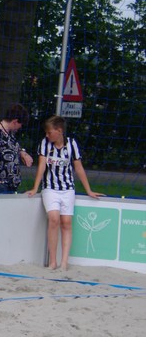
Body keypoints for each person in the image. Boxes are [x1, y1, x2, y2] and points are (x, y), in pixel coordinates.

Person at [27, 115, 103, 271]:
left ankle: (64, 262)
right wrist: (35, 188)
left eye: (50, 132)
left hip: (67, 188)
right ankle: (52, 262)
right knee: (54, 219)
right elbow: (41, 166)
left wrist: (88, 190)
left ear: (59, 131)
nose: (47, 135)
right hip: (50, 188)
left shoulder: (72, 144)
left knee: (66, 222)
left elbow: (78, 167)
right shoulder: (45, 144)